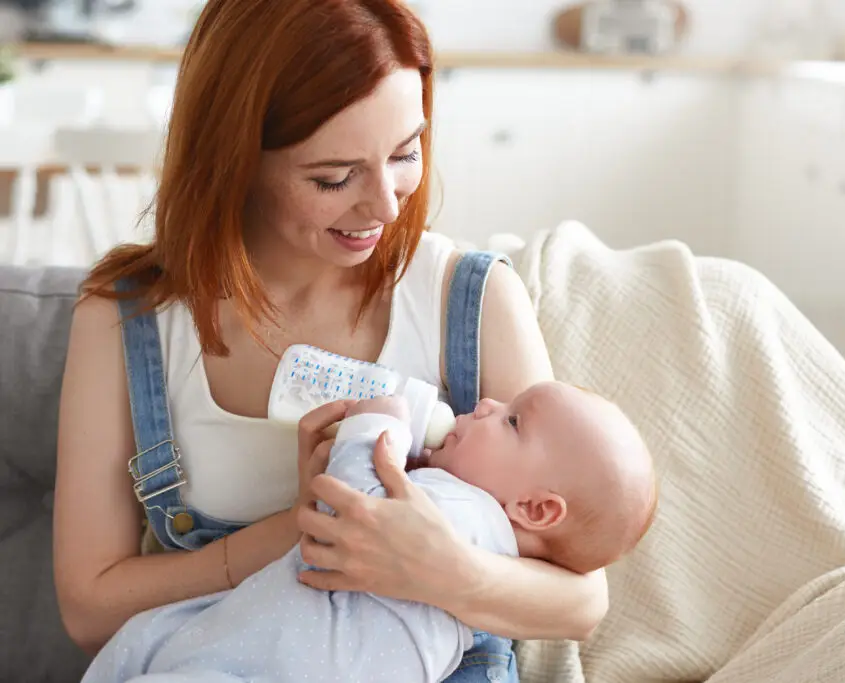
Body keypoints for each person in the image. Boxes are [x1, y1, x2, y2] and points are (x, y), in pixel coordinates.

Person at [53, 2, 609, 681]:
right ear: (235, 158)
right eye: (334, 177)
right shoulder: (126, 319)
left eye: (406, 153)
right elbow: (88, 610)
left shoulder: (471, 298)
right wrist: (309, 525)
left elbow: (582, 599)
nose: (385, 205)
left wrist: (445, 567)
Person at [81, 383, 657, 683]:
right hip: (283, 653)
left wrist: (373, 424)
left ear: (534, 508)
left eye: (512, 420)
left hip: (276, 665)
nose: (486, 401)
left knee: (149, 644)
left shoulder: (466, 511)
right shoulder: (473, 521)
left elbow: (351, 510)